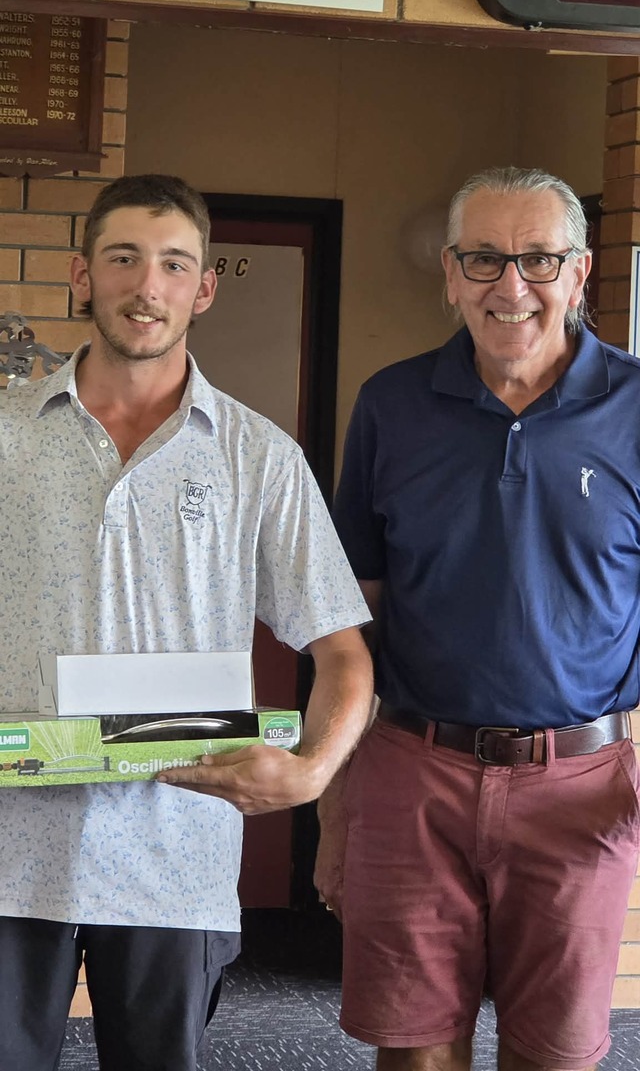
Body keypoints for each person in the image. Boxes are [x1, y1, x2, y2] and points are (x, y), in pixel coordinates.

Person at [0, 173, 373, 1071]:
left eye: (174, 264)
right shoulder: (7, 436)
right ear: (83, 274)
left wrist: (311, 771)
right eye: (124, 258)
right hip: (9, 852)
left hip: (177, 854)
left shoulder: (260, 458)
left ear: (204, 288)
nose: (148, 285)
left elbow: (343, 652)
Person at [318, 166, 640, 1071]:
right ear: (451, 275)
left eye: (539, 259)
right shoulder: (391, 404)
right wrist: (336, 795)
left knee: (555, 1055)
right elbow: (352, 618)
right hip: (413, 772)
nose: (512, 285)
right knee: (414, 1051)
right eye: (484, 258)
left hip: (583, 780)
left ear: (580, 271)